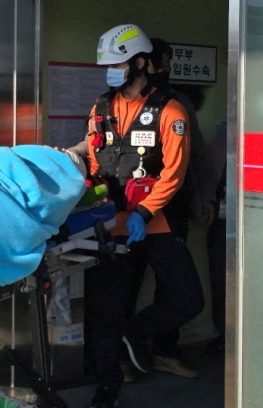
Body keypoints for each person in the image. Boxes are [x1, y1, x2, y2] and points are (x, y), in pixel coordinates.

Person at [66, 24, 201, 408]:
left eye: (118, 63)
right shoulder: (100, 108)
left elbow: (174, 171)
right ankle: (106, 389)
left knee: (188, 299)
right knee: (105, 309)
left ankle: (136, 332)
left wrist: (144, 210)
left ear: (141, 63)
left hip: (154, 224)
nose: (111, 71)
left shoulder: (170, 110)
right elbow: (94, 160)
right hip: (110, 226)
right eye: (107, 65)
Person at [113, 38, 215, 378]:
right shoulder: (111, 105)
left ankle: (162, 350)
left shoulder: (175, 105)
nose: (167, 69)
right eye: (163, 63)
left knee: (172, 288)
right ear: (147, 64)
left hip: (168, 212)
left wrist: (205, 198)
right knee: (125, 286)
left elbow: (193, 158)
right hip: (126, 215)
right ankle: (122, 358)